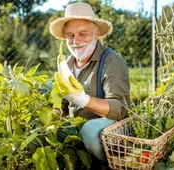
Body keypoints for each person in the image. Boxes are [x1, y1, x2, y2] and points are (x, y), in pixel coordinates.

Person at [49, 1, 131, 168]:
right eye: (70, 35)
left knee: (90, 130)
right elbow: (62, 108)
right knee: (39, 137)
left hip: (110, 132)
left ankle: (112, 166)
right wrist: (50, 121)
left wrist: (83, 100)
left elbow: (120, 109)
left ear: (97, 33)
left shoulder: (111, 61)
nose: (76, 41)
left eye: (83, 33)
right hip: (76, 131)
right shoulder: (66, 65)